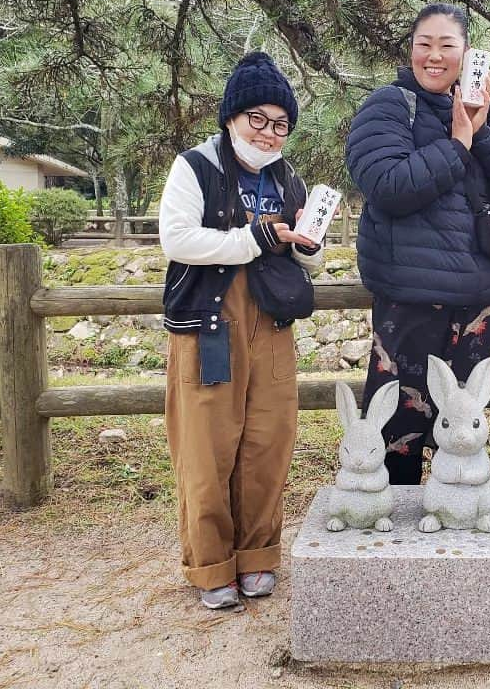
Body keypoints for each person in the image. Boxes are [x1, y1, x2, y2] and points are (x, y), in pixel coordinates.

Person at [346, 3, 490, 484]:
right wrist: (456, 145)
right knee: (399, 429)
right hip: (411, 299)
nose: (434, 56)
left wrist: (478, 127)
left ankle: (459, 518)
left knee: (463, 421)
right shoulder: (389, 105)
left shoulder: (484, 110)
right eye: (423, 45)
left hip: (478, 301)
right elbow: (386, 184)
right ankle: (391, 527)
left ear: (467, 53)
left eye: (446, 46)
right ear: (411, 50)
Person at [158, 52, 322, 609]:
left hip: (272, 325)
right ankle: (210, 567)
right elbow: (178, 240)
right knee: (207, 449)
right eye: (259, 119)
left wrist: (309, 249)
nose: (270, 134)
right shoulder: (195, 166)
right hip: (209, 325)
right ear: (231, 116)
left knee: (267, 444)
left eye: (281, 124)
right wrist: (256, 237)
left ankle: (257, 558)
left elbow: (299, 257)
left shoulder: (288, 178)